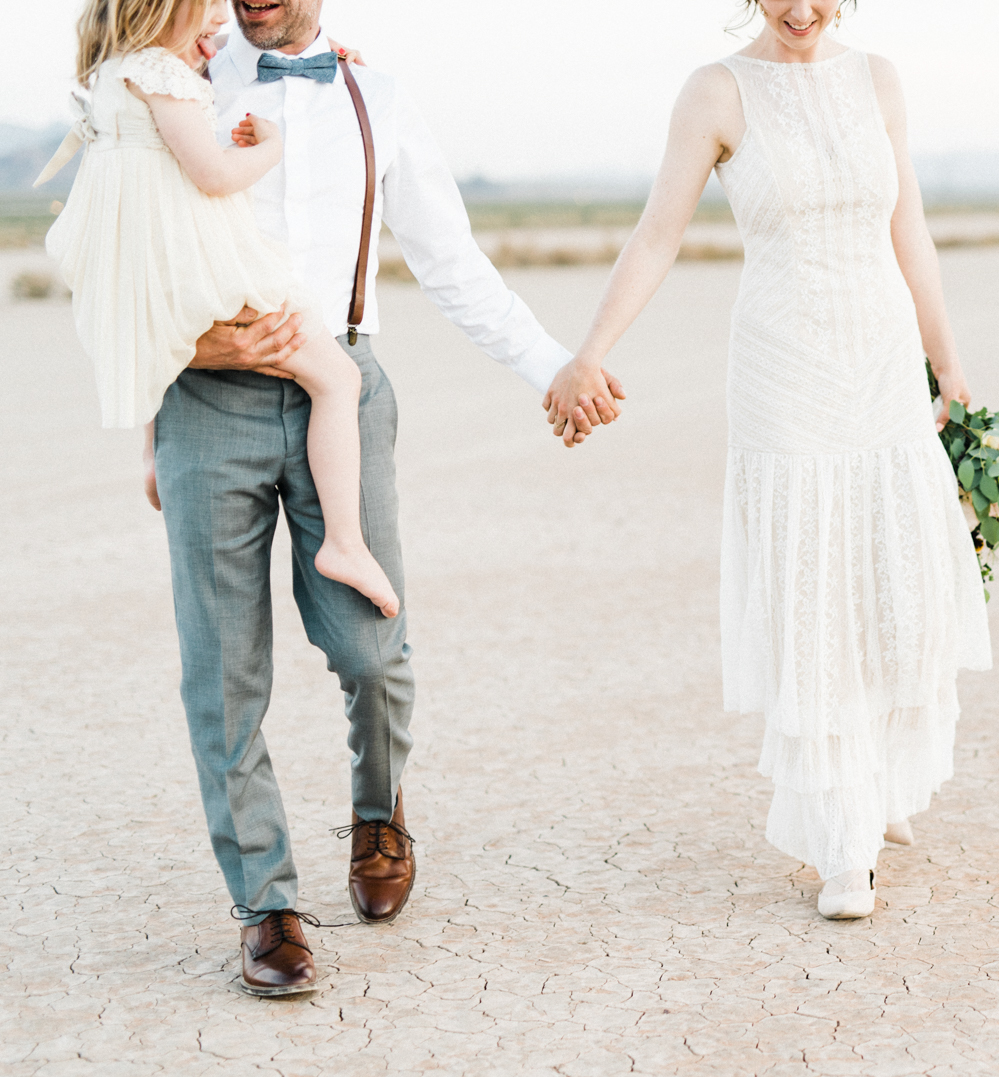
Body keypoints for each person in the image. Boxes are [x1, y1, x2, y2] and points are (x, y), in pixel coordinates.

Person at [51, 0, 615, 996]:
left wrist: (553, 368)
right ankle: (268, 908)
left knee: (370, 646)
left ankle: (377, 811)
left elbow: (454, 268)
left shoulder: (376, 99)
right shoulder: (170, 73)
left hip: (341, 389)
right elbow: (108, 246)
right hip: (203, 402)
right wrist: (175, 373)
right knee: (223, 676)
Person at [546, 0, 991, 919]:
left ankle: (877, 780)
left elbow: (909, 230)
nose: (799, 9)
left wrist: (948, 363)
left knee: (889, 576)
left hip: (880, 359)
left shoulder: (879, 79)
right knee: (813, 584)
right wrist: (591, 350)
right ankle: (841, 836)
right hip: (784, 368)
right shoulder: (715, 92)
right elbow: (657, 233)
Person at [44, 0, 399, 619]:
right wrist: (270, 148)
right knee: (338, 378)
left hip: (147, 264)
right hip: (205, 258)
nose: (218, 20)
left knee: (170, 341)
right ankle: (344, 544)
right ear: (166, 13)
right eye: (205, 10)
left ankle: (156, 459)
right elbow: (210, 175)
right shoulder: (167, 75)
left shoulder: (110, 75)